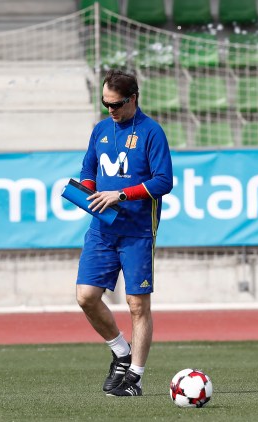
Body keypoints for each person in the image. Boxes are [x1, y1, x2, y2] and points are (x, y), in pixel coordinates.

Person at [75, 69, 173, 397]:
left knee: (136, 304)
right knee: (86, 297)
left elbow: (164, 181)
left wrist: (120, 194)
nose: (110, 111)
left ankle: (136, 378)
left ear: (133, 98)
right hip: (101, 229)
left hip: (138, 231)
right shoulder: (100, 129)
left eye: (116, 105)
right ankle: (121, 352)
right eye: (105, 104)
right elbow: (89, 169)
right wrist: (88, 191)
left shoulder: (151, 132)